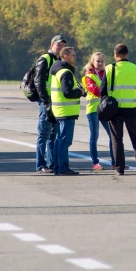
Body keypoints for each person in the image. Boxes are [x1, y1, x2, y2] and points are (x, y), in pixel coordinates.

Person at [100, 44, 136, 176]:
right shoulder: (135, 68)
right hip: (131, 109)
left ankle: (119, 168)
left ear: (115, 54)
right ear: (127, 54)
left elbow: (102, 91)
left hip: (114, 110)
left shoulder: (110, 68)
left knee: (117, 139)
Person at [50, 46, 87, 175]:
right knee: (65, 141)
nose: (75, 57)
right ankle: (62, 167)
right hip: (66, 111)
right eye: (73, 55)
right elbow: (67, 93)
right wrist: (80, 91)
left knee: (59, 140)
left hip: (60, 110)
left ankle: (56, 166)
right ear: (65, 56)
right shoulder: (65, 72)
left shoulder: (58, 70)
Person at [34, 35, 66, 174]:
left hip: (56, 101)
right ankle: (40, 164)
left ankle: (51, 163)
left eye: (62, 45)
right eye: (58, 45)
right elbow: (38, 81)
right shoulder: (45, 59)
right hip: (47, 101)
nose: (60, 47)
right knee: (44, 134)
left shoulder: (59, 60)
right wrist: (45, 100)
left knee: (53, 134)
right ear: (52, 44)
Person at [82, 52, 115, 170]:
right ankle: (95, 162)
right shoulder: (88, 76)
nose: (100, 63)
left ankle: (114, 161)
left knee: (112, 135)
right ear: (92, 62)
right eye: (98, 61)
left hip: (105, 109)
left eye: (102, 61)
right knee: (94, 135)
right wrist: (106, 90)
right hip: (93, 110)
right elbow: (96, 90)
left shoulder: (106, 74)